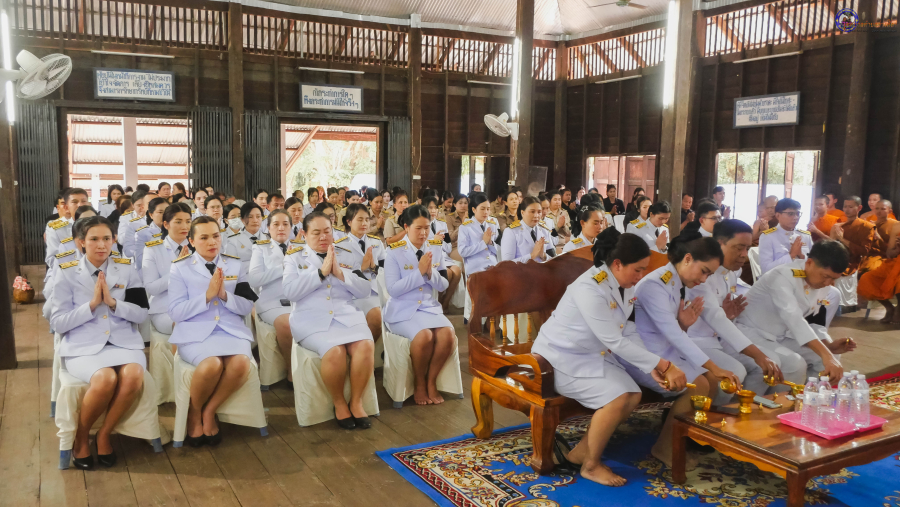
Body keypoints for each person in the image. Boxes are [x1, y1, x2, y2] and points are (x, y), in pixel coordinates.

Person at [532, 228, 688, 486]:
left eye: (644, 269)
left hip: (591, 353)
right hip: (560, 358)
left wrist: (650, 364)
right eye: (638, 269)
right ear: (617, 264)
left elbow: (626, 329)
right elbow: (614, 340)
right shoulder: (590, 288)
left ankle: (580, 453)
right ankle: (591, 466)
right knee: (617, 397)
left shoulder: (622, 284)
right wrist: (664, 364)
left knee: (632, 394)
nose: (641, 275)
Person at [624, 228, 741, 467]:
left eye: (709, 275)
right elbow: (672, 334)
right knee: (700, 384)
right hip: (643, 355)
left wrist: (684, 325)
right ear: (687, 258)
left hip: (664, 350)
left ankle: (683, 439)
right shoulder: (654, 285)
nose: (704, 279)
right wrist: (714, 366)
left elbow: (674, 332)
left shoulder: (677, 281)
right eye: (704, 271)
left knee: (710, 381)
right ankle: (665, 448)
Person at [49, 216, 150, 469]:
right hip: (83, 345)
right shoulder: (67, 271)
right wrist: (92, 305)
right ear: (81, 242)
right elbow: (58, 322)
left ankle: (104, 434)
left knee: (134, 374)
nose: (101, 245)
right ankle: (81, 437)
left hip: (123, 342)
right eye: (94, 239)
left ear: (114, 240)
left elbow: (141, 313)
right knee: (105, 378)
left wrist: (114, 304)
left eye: (107, 238)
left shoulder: (126, 268)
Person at [167, 216, 259, 446]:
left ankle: (209, 410)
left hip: (230, 329)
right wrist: (207, 297)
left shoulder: (234, 265)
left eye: (216, 236)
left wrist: (224, 296)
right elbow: (176, 312)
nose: (212, 242)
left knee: (241, 363)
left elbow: (246, 306)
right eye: (204, 237)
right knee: (212, 364)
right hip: (195, 332)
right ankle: (194, 413)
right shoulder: (180, 267)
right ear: (191, 241)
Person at [282, 211, 375, 429]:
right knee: (335, 351)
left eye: (327, 231)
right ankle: (339, 403)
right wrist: (320, 273)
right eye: (316, 233)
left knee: (365, 345)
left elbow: (364, 290)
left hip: (345, 314)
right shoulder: (294, 257)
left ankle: (356, 402)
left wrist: (341, 274)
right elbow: (289, 292)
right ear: (304, 234)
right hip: (311, 319)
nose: (323, 237)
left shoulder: (346, 254)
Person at [685, 220, 782, 403]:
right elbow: (716, 318)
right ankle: (714, 414)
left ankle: (741, 409)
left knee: (770, 362)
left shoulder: (730, 273)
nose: (744, 255)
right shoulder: (701, 274)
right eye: (739, 248)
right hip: (697, 340)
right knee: (735, 372)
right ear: (719, 244)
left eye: (747, 248)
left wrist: (727, 315)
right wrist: (758, 355)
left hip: (719, 338)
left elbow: (722, 317)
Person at [735, 240, 856, 386]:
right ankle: (778, 400)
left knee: (830, 357)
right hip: (753, 333)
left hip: (781, 336)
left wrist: (828, 345)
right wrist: (826, 354)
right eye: (825, 276)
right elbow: (794, 318)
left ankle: (813, 394)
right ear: (809, 262)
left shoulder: (822, 284)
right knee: (795, 364)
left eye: (833, 279)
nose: (827, 283)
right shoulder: (782, 276)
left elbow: (813, 321)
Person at [383, 205, 456, 405]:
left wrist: (430, 273)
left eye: (427, 227)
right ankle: (419, 383)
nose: (424, 233)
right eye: (418, 228)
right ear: (406, 227)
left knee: (447, 334)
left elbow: (444, 285)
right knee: (424, 336)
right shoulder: (394, 252)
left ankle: (431, 381)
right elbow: (393, 290)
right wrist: (419, 273)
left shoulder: (434, 247)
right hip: (402, 310)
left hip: (428, 308)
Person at [248, 210, 298, 381]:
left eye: (285, 224)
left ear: (291, 227)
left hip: (298, 297)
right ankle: (291, 370)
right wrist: (283, 267)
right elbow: (254, 279)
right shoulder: (260, 248)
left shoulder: (300, 248)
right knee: (286, 324)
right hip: (271, 300)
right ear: (268, 228)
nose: (281, 228)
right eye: (276, 224)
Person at [339, 203, 385, 345]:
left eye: (366, 219)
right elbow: (341, 276)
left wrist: (374, 267)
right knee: (376, 316)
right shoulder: (340, 246)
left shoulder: (376, 242)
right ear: (349, 222)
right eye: (359, 220)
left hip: (377, 291)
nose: (364, 223)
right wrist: (362, 268)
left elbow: (386, 270)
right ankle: (365, 350)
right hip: (354, 294)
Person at [142, 203, 192, 334]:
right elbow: (151, 288)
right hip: (164, 309)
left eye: (188, 221)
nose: (185, 226)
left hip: (194, 306)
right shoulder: (153, 249)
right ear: (166, 224)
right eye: (178, 222)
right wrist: (177, 269)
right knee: (184, 327)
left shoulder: (198, 247)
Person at [457, 194, 500, 318]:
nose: (486, 212)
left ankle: (492, 318)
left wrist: (491, 243)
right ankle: (475, 320)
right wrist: (483, 243)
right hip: (475, 266)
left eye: (488, 209)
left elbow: (498, 249)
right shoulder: (465, 227)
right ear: (474, 209)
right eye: (482, 209)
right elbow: (463, 251)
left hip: (492, 264)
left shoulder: (492, 224)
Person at [858, 200, 900, 323]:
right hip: (894, 262)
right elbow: (889, 253)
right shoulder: (897, 226)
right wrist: (898, 248)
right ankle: (889, 308)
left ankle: (898, 311)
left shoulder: (892, 223)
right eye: (878, 209)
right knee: (866, 278)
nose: (880, 211)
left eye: (883, 209)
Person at [830, 196, 875, 309]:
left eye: (850, 207)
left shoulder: (867, 227)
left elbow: (864, 251)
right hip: (835, 261)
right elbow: (830, 247)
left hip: (852, 263)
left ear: (859, 208)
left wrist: (842, 239)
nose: (847, 209)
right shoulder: (837, 226)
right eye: (845, 206)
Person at [422, 197, 462, 311]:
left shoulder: (442, 224)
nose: (433, 211)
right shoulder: (422, 225)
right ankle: (437, 301)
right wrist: (434, 241)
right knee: (448, 273)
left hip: (443, 256)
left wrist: (439, 242)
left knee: (457, 271)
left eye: (435, 208)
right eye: (430, 208)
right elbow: (421, 245)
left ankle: (445, 302)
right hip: (430, 256)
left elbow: (448, 247)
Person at [757, 198, 812, 274]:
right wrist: (791, 255)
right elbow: (766, 269)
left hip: (803, 279)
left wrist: (801, 256)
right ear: (778, 215)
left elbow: (814, 264)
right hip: (779, 279)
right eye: (790, 214)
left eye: (797, 214)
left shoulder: (805, 236)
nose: (795, 217)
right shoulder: (768, 237)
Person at [500, 195, 557, 264]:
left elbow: (554, 259)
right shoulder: (511, 232)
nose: (536, 216)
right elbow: (506, 264)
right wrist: (531, 256)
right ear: (522, 213)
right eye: (532, 212)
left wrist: (543, 256)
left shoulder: (544, 230)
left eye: (539, 212)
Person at [45, 188, 90, 268]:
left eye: (83, 201)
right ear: (66, 207)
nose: (80, 205)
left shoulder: (101, 225)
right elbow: (52, 260)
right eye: (74, 202)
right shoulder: (56, 229)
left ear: (89, 204)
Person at [225, 202, 266, 272]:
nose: (255, 220)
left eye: (258, 216)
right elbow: (232, 266)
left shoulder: (269, 238)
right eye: (250, 217)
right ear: (242, 220)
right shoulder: (232, 241)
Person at [134, 197, 167, 272]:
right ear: (151, 214)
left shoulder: (175, 231)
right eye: (160, 212)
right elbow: (140, 263)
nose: (165, 215)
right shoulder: (142, 234)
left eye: (167, 212)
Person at [446, 194, 469, 264]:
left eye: (465, 203)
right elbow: (451, 238)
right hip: (455, 248)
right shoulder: (449, 218)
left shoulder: (472, 217)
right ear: (455, 204)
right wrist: (463, 224)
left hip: (470, 246)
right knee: (467, 259)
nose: (463, 205)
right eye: (460, 203)